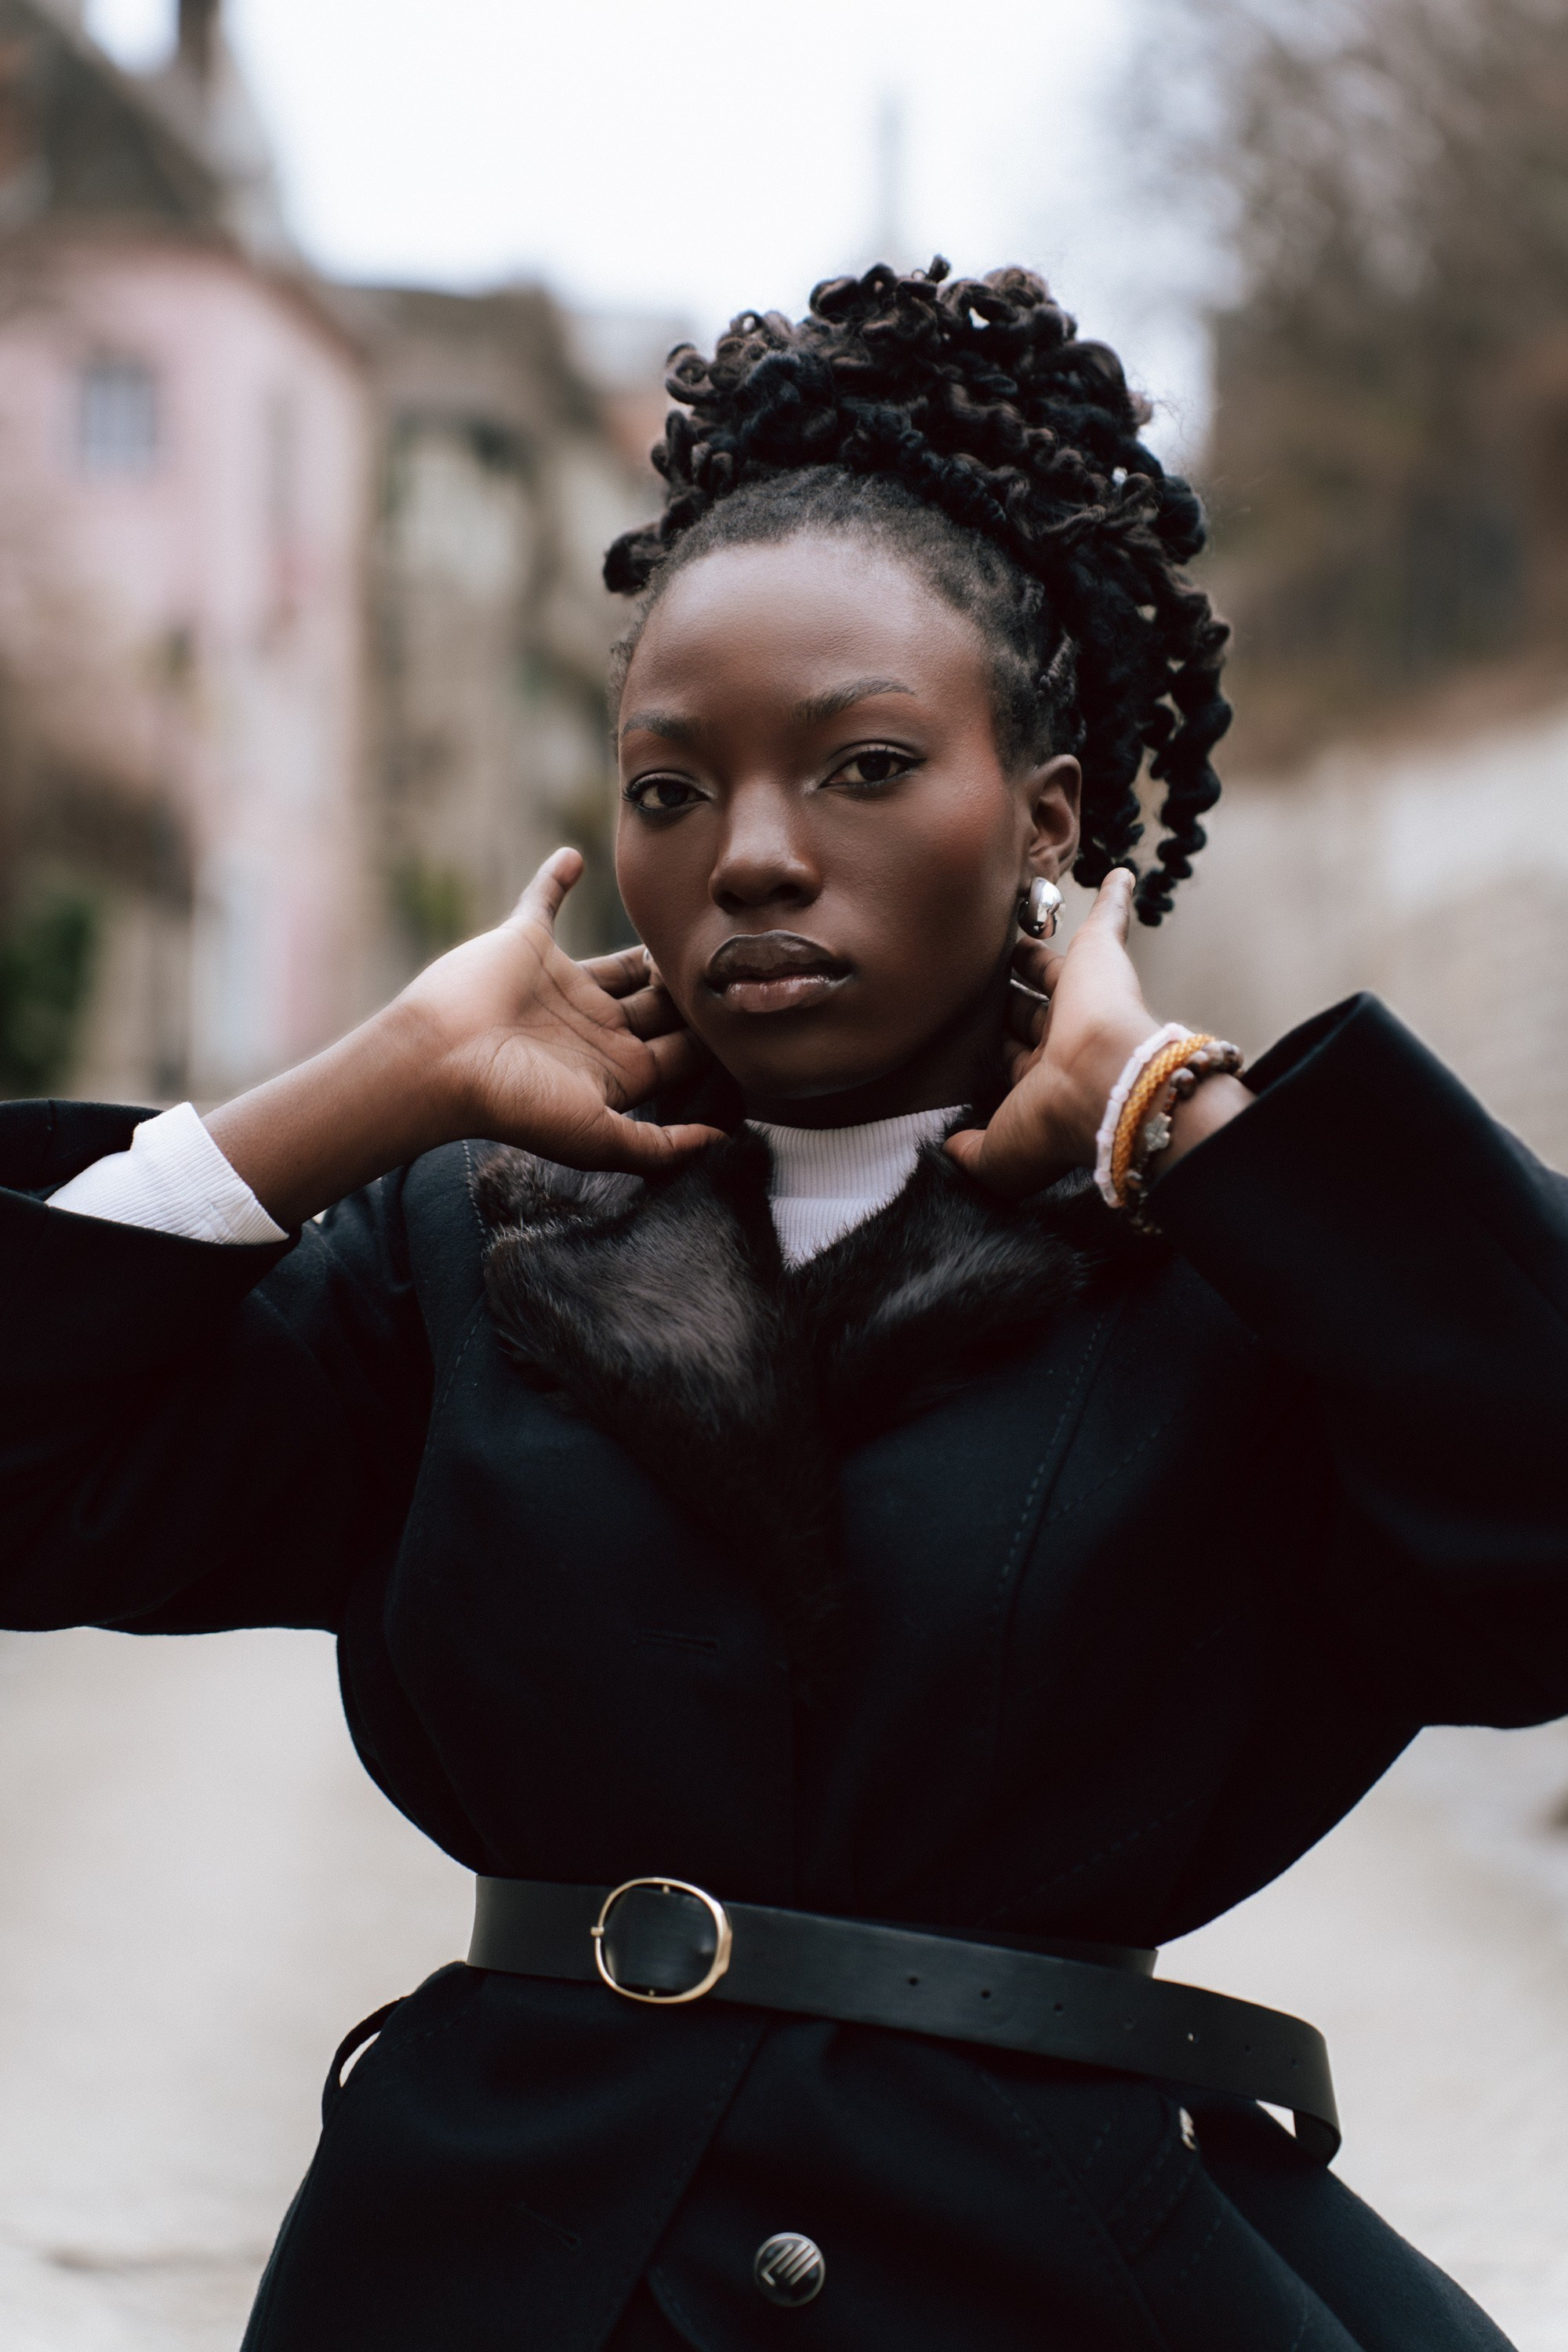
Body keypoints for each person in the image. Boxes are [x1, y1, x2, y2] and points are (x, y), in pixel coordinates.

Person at [1, 260, 1561, 2352]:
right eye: (669, 787)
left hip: (1068, 2281)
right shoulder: (456, 1247)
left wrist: (1185, 1131)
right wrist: (350, 1098)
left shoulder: (1235, 1266)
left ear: (1048, 820)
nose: (749, 854)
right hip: (500, 2274)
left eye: (861, 765)